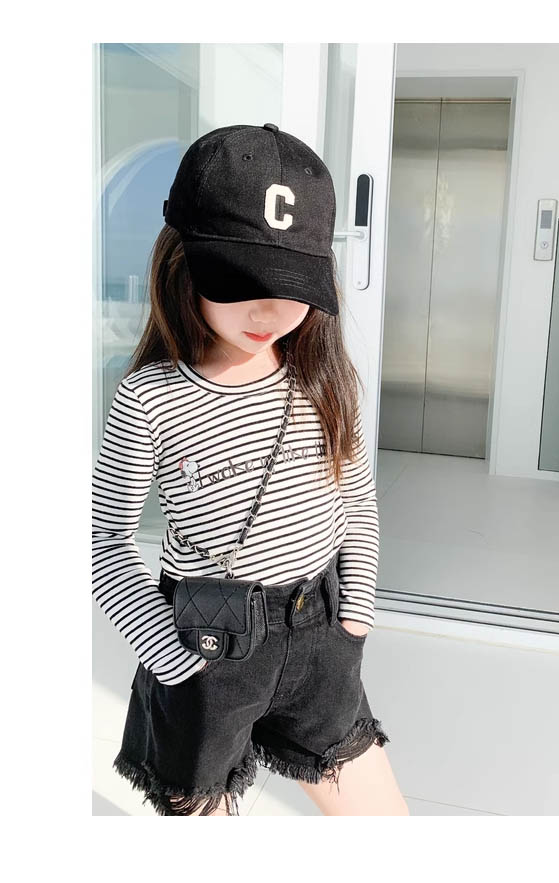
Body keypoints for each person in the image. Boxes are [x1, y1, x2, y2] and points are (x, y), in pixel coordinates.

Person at [92, 123, 408, 816]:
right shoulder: (149, 398)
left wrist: (355, 614)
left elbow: (355, 501)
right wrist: (175, 659)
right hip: (204, 645)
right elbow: (104, 540)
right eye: (240, 280)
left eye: (291, 284)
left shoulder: (322, 381)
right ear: (182, 263)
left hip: (321, 634)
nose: (268, 311)